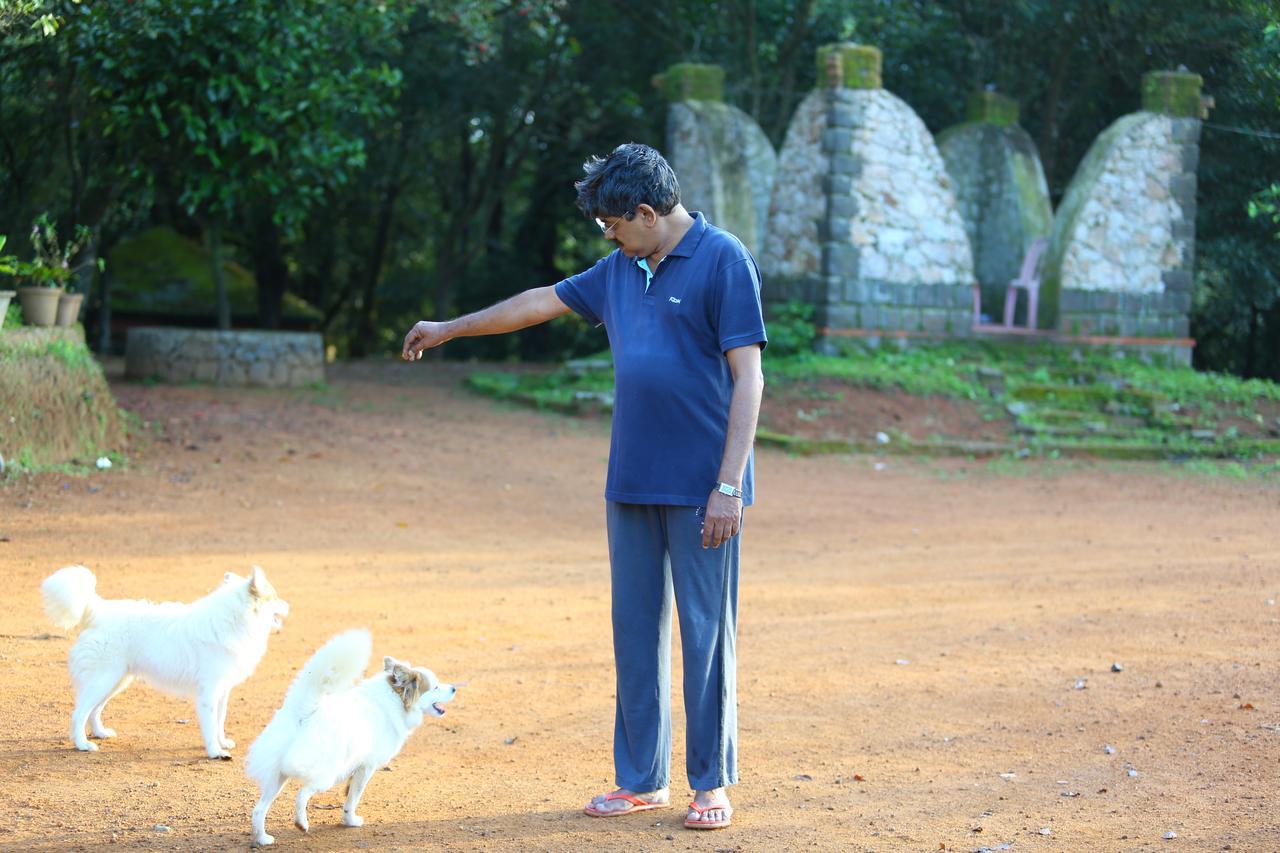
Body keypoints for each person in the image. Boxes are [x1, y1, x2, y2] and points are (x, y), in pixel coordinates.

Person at [402, 143, 766, 831]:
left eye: (615, 225)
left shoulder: (724, 260)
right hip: (630, 481)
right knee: (634, 631)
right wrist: (451, 329)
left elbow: (749, 377)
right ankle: (640, 779)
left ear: (649, 213)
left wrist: (729, 485)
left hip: (702, 490)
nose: (610, 237)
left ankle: (711, 781)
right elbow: (543, 300)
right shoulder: (624, 266)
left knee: (705, 635)